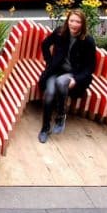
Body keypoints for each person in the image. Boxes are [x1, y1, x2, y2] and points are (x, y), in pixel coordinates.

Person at [37, 9, 97, 144]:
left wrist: (76, 79)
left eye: (78, 21)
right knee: (49, 94)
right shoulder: (60, 32)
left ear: (83, 24)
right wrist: (50, 62)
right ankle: (45, 128)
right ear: (67, 21)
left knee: (61, 82)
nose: (74, 24)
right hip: (56, 70)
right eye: (72, 21)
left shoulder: (88, 40)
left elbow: (90, 67)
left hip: (74, 74)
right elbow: (45, 44)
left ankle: (60, 116)